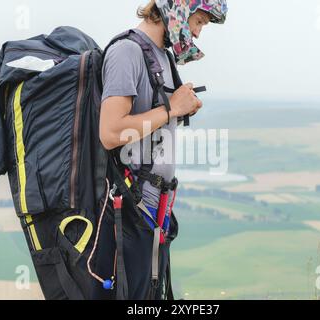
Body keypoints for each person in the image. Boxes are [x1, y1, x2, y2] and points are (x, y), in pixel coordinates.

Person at [98, 0, 227, 299]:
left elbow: (153, 125)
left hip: (157, 212)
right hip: (131, 211)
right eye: (199, 22)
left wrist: (180, 109)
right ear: (178, 9)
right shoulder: (126, 52)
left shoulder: (164, 59)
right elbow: (110, 132)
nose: (197, 33)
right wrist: (171, 109)